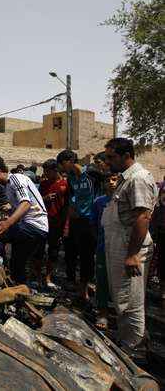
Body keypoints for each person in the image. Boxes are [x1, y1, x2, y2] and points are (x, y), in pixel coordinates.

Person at [103, 138, 157, 360]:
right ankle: (128, 341)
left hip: (130, 249)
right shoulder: (125, 180)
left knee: (131, 302)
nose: (107, 162)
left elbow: (143, 217)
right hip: (121, 246)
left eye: (111, 157)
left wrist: (133, 254)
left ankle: (135, 351)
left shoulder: (138, 179)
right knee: (121, 299)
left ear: (126, 155)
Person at [0, 156, 48, 284]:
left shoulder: (15, 178)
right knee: (17, 264)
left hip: (33, 225)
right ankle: (19, 290)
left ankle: (0, 271)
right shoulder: (7, 186)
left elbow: (26, 203)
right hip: (32, 227)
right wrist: (9, 217)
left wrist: (8, 223)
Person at [57, 149, 97, 300]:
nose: (62, 168)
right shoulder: (71, 178)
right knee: (73, 253)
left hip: (90, 221)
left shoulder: (92, 173)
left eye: (62, 164)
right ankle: (78, 285)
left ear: (68, 161)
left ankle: (85, 289)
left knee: (87, 256)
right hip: (76, 220)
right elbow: (73, 196)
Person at [91, 172, 119, 330]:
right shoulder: (99, 202)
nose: (111, 182)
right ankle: (103, 313)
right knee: (102, 280)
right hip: (103, 247)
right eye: (108, 180)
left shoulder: (123, 200)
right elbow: (94, 224)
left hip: (120, 247)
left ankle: (118, 313)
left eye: (114, 179)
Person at [37, 159, 69, 289]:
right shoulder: (43, 184)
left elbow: (67, 206)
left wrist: (65, 226)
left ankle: (48, 277)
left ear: (55, 171)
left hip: (57, 224)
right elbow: (36, 200)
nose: (45, 174)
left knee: (53, 251)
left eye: (47, 171)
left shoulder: (65, 185)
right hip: (43, 222)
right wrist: (45, 199)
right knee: (38, 250)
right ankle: (38, 276)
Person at [150, 187, 165, 307]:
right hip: (161, 239)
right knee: (161, 265)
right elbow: (154, 222)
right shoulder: (159, 208)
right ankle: (162, 293)